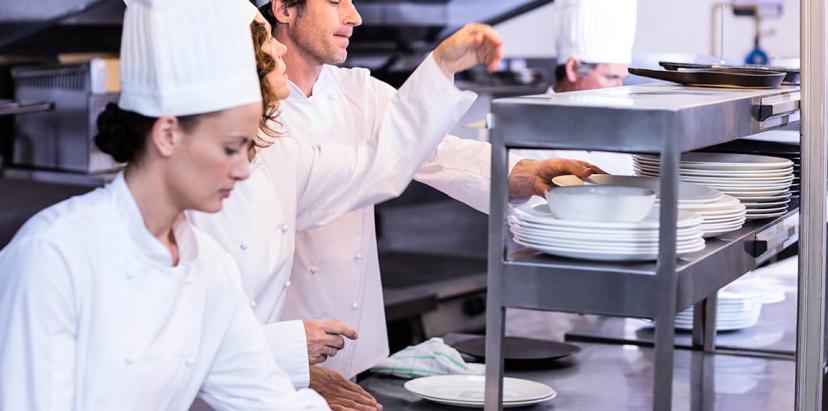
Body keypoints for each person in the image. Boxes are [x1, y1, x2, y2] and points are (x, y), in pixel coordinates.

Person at [248, 0, 606, 393]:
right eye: (334, 2)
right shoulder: (249, 112)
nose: (355, 17)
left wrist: (528, 172)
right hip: (272, 363)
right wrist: (439, 68)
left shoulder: (358, 90)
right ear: (283, 9)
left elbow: (437, 152)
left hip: (355, 355)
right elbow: (382, 163)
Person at [0, 0, 331, 410]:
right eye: (230, 147)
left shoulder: (210, 267)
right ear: (168, 134)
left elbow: (266, 399)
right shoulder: (54, 255)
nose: (243, 170)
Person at [518, 0, 639, 176]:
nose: (618, 88)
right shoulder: (526, 127)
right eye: (611, 77)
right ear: (573, 68)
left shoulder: (622, 122)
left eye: (622, 79)